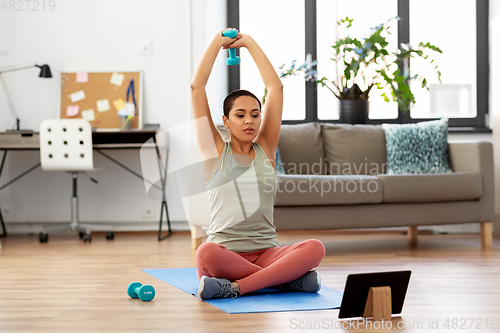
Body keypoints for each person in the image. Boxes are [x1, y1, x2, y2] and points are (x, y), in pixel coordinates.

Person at [191, 29, 325, 300]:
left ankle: (238, 287)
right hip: (225, 254)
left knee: (315, 248)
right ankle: (283, 280)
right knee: (205, 253)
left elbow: (276, 88)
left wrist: (250, 43)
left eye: (255, 114)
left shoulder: (266, 150)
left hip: (267, 253)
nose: (249, 120)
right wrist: (218, 43)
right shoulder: (215, 152)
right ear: (226, 121)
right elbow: (197, 89)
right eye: (240, 115)